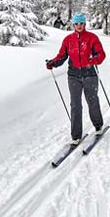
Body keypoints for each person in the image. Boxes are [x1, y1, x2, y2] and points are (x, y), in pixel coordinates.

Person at [45, 12, 106, 145]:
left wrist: (93, 59)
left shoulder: (92, 38)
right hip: (73, 76)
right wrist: (52, 63)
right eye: (76, 23)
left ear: (85, 24)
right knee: (75, 105)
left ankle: (98, 125)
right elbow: (61, 56)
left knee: (92, 101)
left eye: (81, 23)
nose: (79, 25)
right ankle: (76, 135)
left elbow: (101, 54)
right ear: (73, 25)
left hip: (90, 74)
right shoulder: (68, 40)